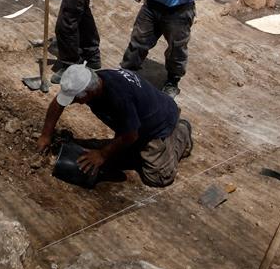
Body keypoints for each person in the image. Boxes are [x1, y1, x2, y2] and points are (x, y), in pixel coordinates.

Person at [36, 64, 192, 187]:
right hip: (138, 121)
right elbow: (58, 103)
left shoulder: (118, 97)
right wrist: (46, 134)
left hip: (159, 125)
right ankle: (133, 150)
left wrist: (102, 155)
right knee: (113, 149)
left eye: (75, 99)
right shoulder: (91, 81)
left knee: (158, 177)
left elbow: (131, 135)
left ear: (88, 93)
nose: (73, 102)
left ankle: (181, 133)